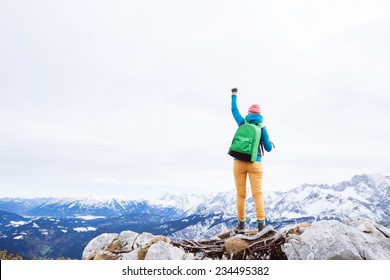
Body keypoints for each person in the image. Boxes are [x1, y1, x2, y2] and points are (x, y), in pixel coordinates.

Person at [230, 87, 273, 233]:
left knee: (241, 195)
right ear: (260, 116)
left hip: (238, 162)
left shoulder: (243, 123)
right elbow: (268, 148)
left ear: (248, 115)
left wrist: (234, 95)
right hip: (255, 163)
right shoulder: (262, 128)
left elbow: (234, 110)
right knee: (257, 194)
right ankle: (261, 225)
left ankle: (241, 225)